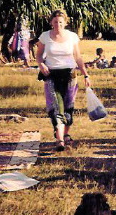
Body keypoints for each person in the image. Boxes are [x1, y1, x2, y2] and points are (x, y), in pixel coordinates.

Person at [36, 9, 90, 151]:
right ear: (51, 23)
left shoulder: (72, 37)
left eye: (60, 22)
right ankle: (59, 139)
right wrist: (41, 64)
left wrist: (86, 74)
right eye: (55, 22)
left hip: (70, 75)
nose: (58, 24)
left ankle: (66, 134)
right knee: (56, 106)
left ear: (65, 23)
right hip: (51, 75)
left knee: (68, 106)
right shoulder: (45, 36)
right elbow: (39, 55)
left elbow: (78, 57)